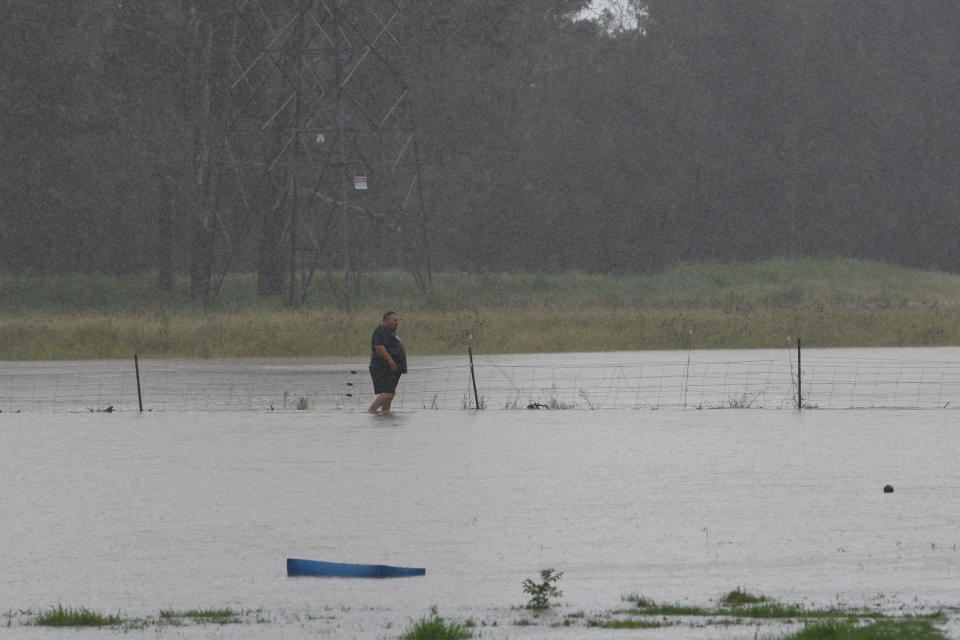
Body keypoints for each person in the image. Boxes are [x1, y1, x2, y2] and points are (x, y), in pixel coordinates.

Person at [368, 310, 406, 413]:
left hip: (391, 368)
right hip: (382, 366)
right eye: (394, 320)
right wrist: (391, 361)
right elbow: (379, 347)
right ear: (386, 320)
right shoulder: (381, 330)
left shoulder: (390, 332)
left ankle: (385, 414)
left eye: (397, 320)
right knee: (389, 393)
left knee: (389, 394)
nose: (396, 322)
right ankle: (371, 411)